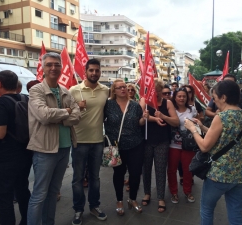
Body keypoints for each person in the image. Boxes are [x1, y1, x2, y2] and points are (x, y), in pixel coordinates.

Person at [185, 80, 242, 225]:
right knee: (235, 213)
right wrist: (201, 126)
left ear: (224, 97)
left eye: (214, 97)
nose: (213, 101)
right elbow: (223, 137)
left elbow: (204, 146)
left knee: (207, 209)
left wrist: (193, 129)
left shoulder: (221, 117)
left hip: (219, 175)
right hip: (240, 175)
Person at [27, 52, 80, 225]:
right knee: (39, 194)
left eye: (57, 64)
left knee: (54, 192)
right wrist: (67, 112)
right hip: (44, 150)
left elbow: (77, 116)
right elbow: (43, 115)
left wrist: (62, 115)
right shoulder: (36, 90)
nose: (53, 68)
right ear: (43, 66)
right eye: (49, 64)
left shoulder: (65, 91)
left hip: (65, 149)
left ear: (61, 67)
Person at [0, 70, 32, 225]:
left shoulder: (0, 102)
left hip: (5, 159)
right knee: (23, 191)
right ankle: (27, 221)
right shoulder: (25, 98)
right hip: (25, 154)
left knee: (4, 197)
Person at [69, 58, 109, 225]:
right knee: (78, 179)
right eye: (91, 70)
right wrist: (76, 107)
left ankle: (94, 206)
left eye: (97, 70)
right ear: (85, 72)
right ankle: (78, 209)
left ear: (100, 72)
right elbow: (65, 113)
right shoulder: (73, 90)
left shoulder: (105, 90)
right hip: (78, 141)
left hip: (98, 140)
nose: (94, 73)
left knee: (95, 178)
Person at [104, 79, 148, 215]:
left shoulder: (134, 105)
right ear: (114, 91)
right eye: (119, 88)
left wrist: (144, 118)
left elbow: (139, 123)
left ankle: (133, 199)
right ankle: (119, 200)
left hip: (135, 144)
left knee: (135, 174)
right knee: (118, 174)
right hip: (116, 146)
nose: (123, 89)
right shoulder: (108, 105)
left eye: (124, 87)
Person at [140, 78, 179, 213]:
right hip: (146, 141)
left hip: (162, 141)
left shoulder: (167, 103)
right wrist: (152, 118)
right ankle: (147, 193)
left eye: (157, 90)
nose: (155, 93)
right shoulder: (144, 101)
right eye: (152, 90)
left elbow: (175, 122)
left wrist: (162, 116)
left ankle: (161, 197)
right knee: (146, 169)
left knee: (161, 169)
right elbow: (140, 118)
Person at [168, 87, 198, 204]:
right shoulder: (171, 110)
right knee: (172, 170)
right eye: (179, 96)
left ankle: (187, 191)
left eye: (184, 96)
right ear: (175, 97)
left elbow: (197, 120)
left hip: (188, 145)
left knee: (187, 169)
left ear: (188, 97)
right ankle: (174, 192)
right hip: (173, 144)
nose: (181, 98)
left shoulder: (192, 109)